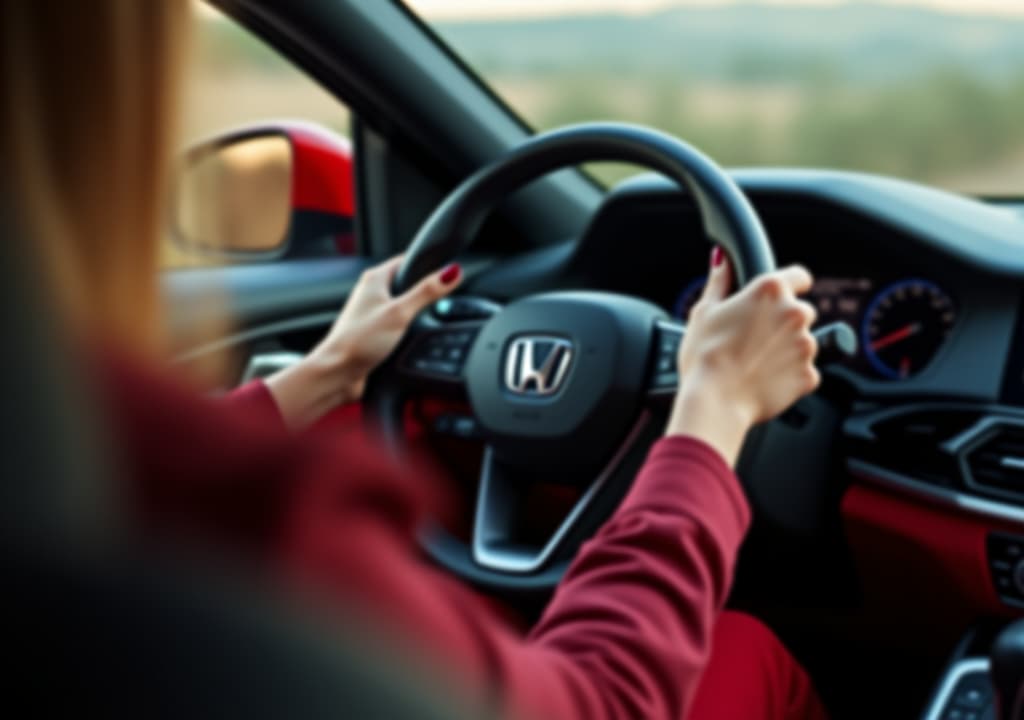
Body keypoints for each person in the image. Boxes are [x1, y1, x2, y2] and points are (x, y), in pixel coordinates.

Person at [1, 2, 827, 719]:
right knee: (745, 648)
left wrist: (326, 370)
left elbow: (141, 471)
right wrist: (711, 408)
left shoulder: (78, 470)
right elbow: (605, 703)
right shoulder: (257, 525)